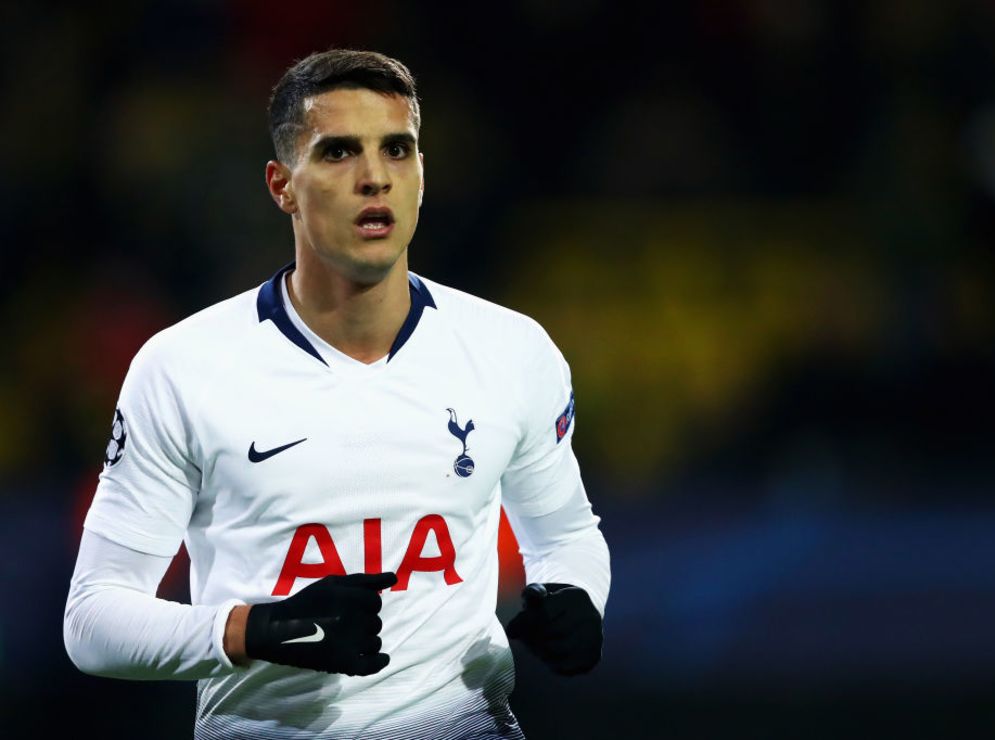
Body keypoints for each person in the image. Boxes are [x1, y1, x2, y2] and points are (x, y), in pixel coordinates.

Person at [63, 49, 610, 740]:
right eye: (339, 152)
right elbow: (93, 620)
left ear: (420, 176)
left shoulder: (512, 350)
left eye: (397, 150)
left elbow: (565, 534)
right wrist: (253, 629)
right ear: (281, 185)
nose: (374, 177)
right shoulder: (182, 367)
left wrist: (578, 598)